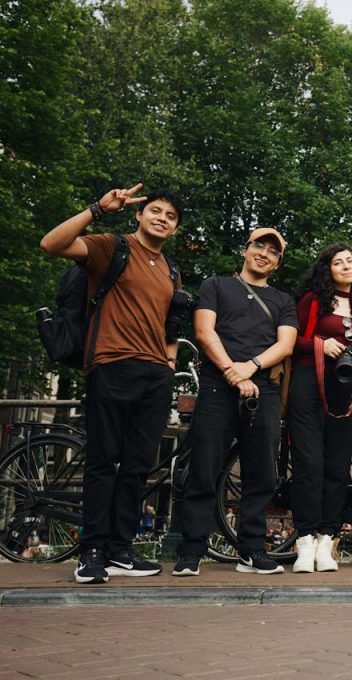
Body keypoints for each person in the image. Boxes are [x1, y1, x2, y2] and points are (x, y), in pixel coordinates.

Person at [40, 184, 184, 584]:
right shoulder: (112, 247)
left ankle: (121, 549)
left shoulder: (172, 270)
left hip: (155, 375)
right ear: (139, 215)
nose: (161, 218)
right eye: (155, 210)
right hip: (110, 364)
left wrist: (169, 363)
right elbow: (51, 244)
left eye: (170, 216)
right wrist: (97, 209)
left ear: (174, 229)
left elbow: (170, 324)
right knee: (104, 462)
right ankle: (92, 551)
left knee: (137, 466)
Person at [172, 228, 297, 577]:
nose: (265, 254)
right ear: (245, 249)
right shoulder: (215, 286)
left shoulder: (283, 301)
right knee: (204, 468)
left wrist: (251, 368)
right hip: (217, 386)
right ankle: (192, 550)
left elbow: (285, 345)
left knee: (260, 474)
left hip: (264, 390)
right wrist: (232, 371)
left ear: (277, 263)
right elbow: (203, 331)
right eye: (260, 245)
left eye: (274, 252)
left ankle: (252, 550)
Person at [288, 244, 352, 573]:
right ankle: (305, 540)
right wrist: (322, 344)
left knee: (337, 467)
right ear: (328, 269)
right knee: (308, 464)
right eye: (338, 262)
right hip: (309, 386)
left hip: (345, 391)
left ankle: (327, 539)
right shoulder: (313, 301)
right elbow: (291, 340)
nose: (346, 265)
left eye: (350, 260)